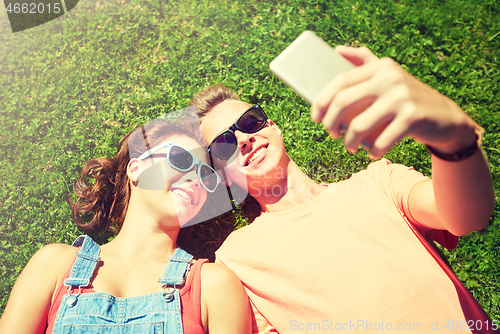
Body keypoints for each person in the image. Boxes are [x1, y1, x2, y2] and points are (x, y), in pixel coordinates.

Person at [189, 46, 496, 333]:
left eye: (250, 121)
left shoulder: (379, 182)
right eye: (224, 144)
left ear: (273, 126)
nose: (243, 138)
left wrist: (452, 136)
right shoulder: (236, 259)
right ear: (222, 176)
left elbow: (467, 218)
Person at [0, 108, 251, 334]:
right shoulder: (53, 265)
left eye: (206, 174)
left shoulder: (214, 285)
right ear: (136, 168)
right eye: (182, 159)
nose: (195, 178)